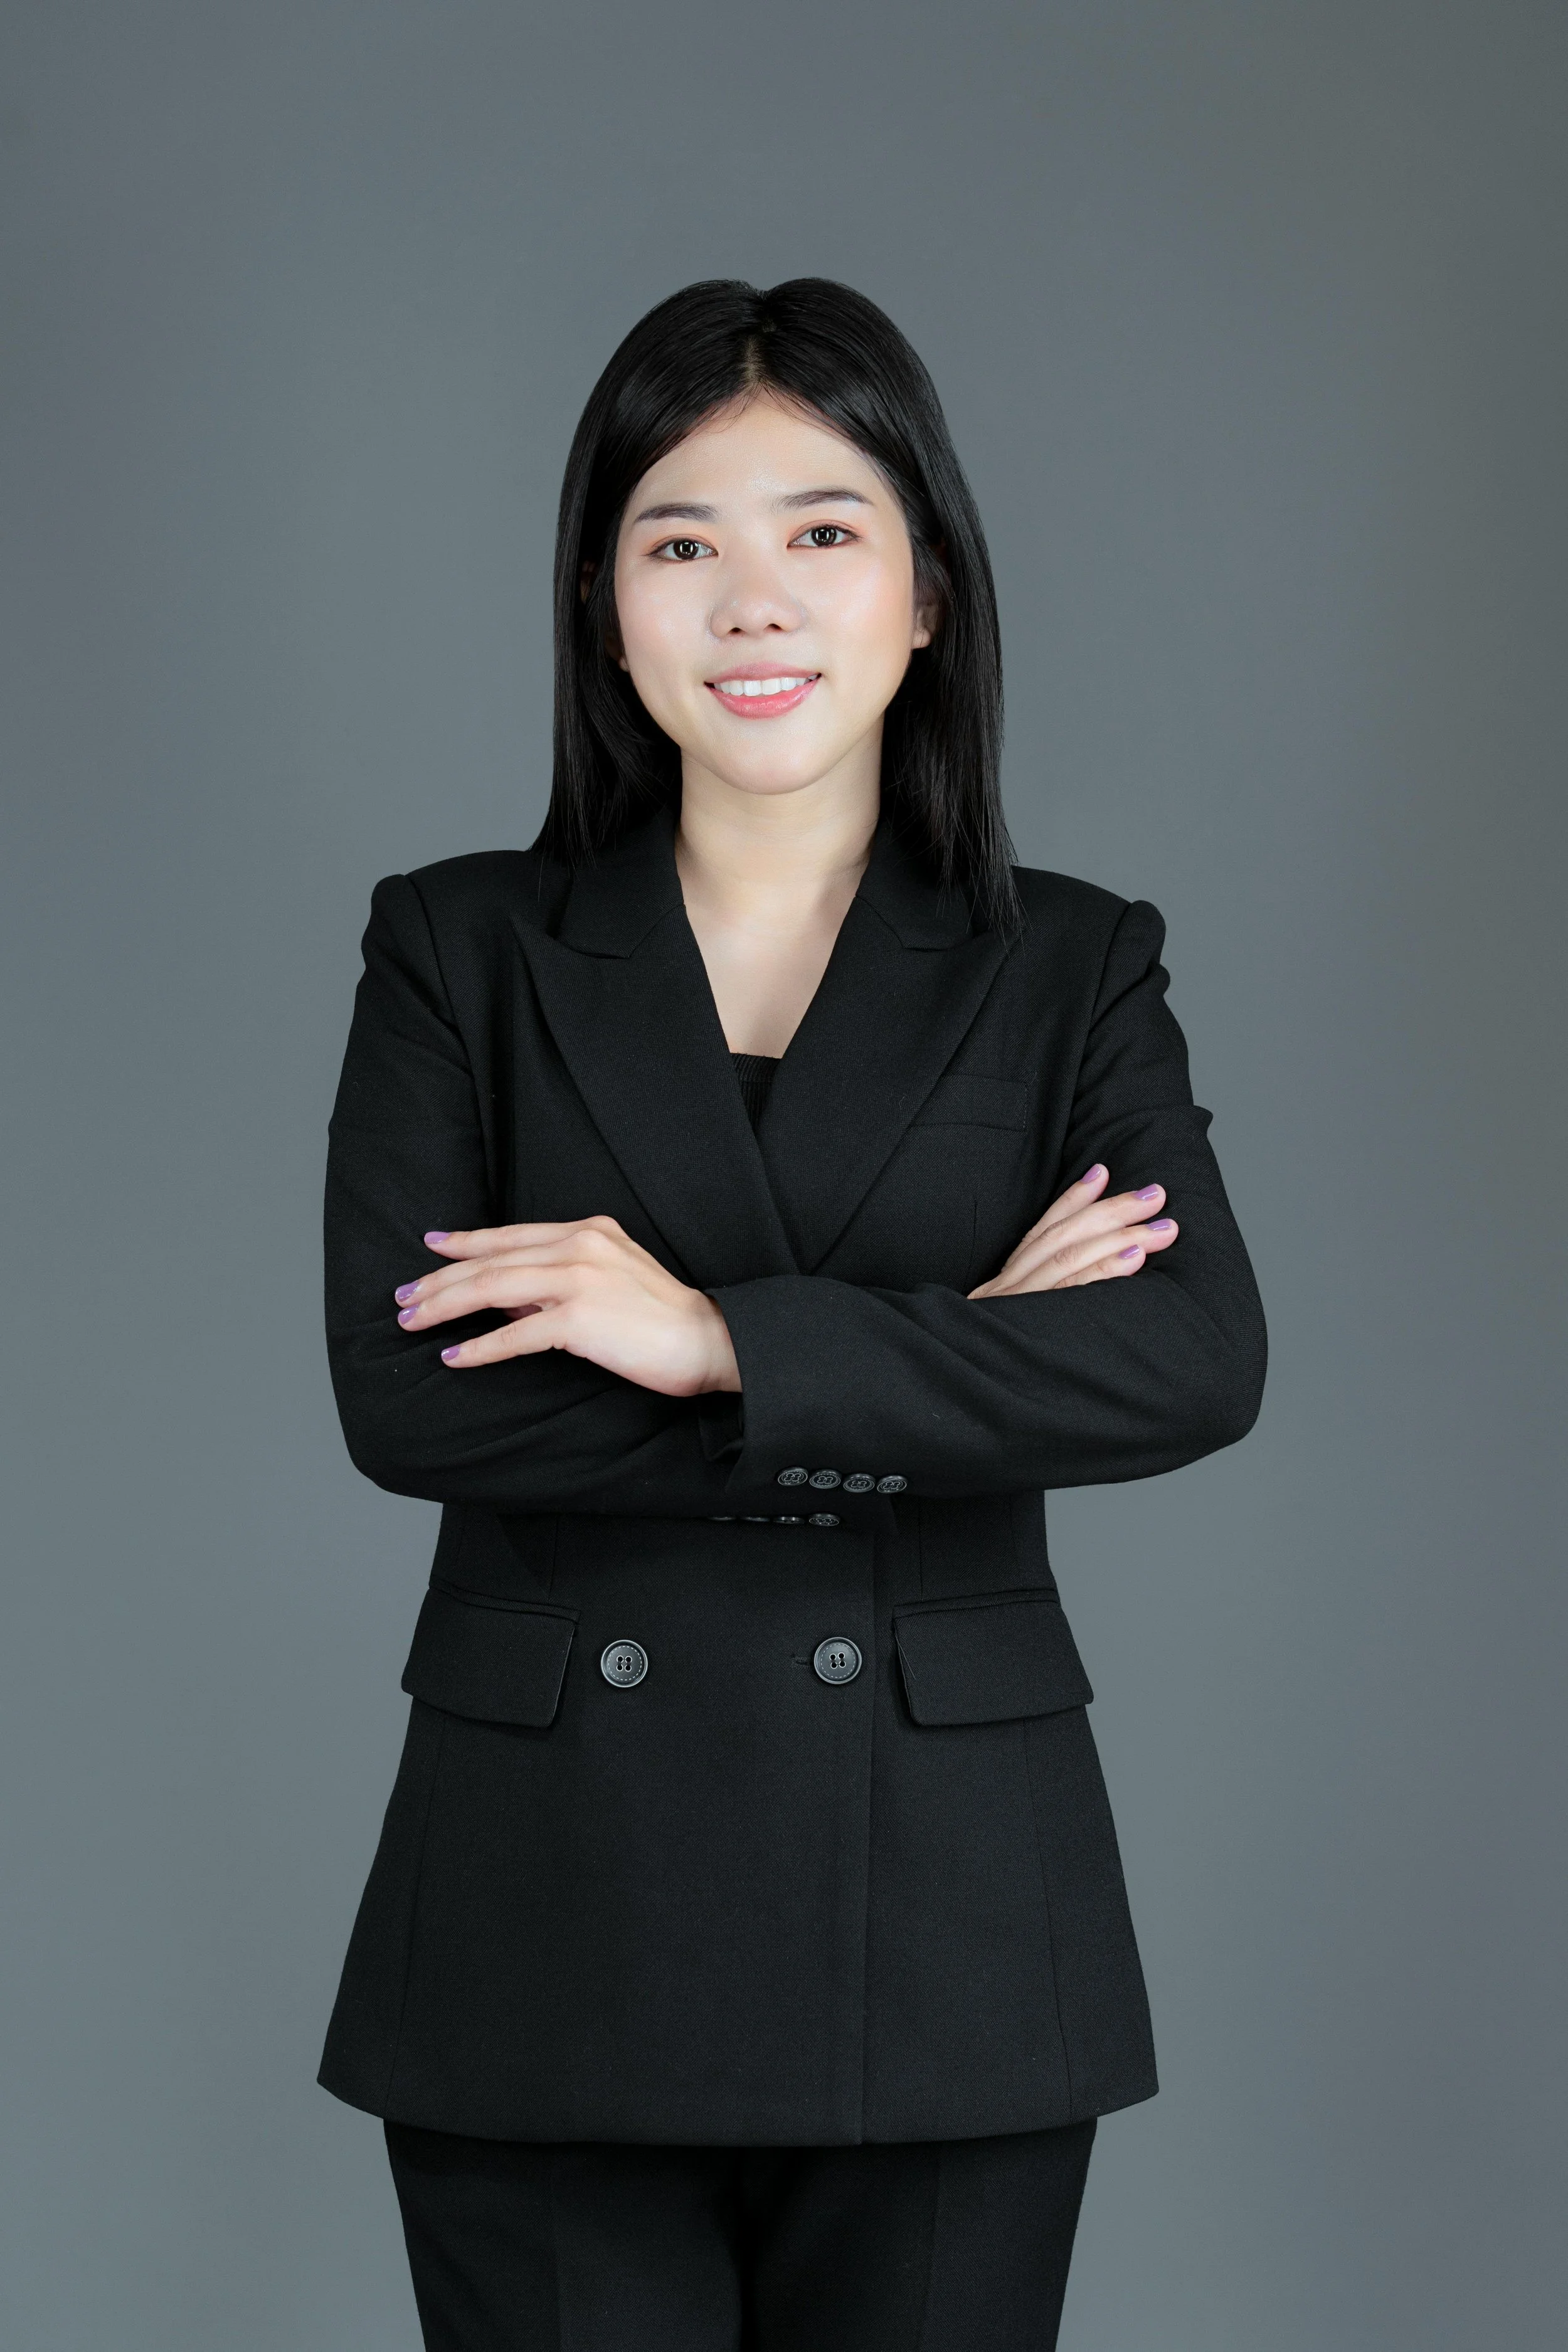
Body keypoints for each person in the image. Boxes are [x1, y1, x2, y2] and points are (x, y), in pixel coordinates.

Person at [317, 277, 1267, 2351]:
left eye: (823, 530)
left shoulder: (1068, 967)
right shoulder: (461, 947)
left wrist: (716, 1336)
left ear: (927, 592)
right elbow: (414, 1406)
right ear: (603, 604)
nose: (755, 598)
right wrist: (941, 1344)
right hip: (551, 1897)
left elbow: (1189, 1358)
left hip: (941, 1905)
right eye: (683, 541)